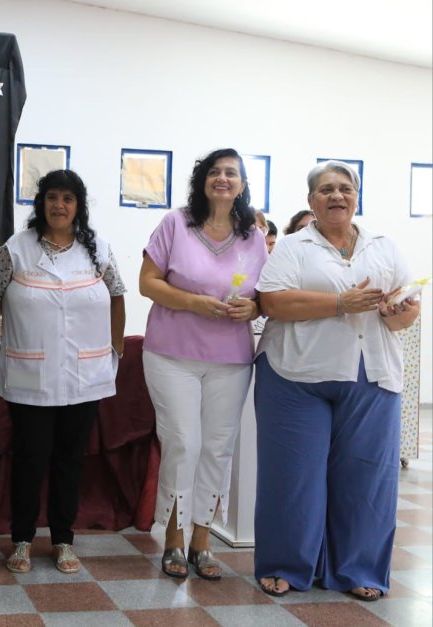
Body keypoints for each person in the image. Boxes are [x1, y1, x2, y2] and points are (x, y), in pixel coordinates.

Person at [253, 161, 420, 600]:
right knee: (293, 479)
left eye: (345, 188)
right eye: (326, 189)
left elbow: (408, 309)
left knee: (367, 480)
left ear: (356, 197)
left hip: (372, 373)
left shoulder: (383, 247)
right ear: (311, 200)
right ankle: (285, 564)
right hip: (295, 375)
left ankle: (359, 568)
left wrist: (399, 312)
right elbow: (272, 301)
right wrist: (340, 303)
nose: (337, 196)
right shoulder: (291, 247)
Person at [0, 170, 126, 574]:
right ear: (41, 203)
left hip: (85, 375)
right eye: (51, 197)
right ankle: (22, 541)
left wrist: (115, 347)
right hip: (31, 373)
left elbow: (117, 295)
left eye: (67, 198)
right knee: (30, 459)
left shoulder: (97, 250)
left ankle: (63, 539)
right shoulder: (18, 248)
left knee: (70, 460)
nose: (58, 205)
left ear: (78, 206)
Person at [139, 148, 268, 580]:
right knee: (184, 443)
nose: (223, 178)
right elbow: (147, 283)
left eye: (232, 173)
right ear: (202, 180)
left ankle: (202, 540)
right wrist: (193, 302)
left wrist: (250, 310)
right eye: (215, 171)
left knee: (217, 449)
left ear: (243, 185)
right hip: (171, 354)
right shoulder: (176, 223)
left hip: (230, 359)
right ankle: (172, 539)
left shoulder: (253, 236)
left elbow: (263, 297)